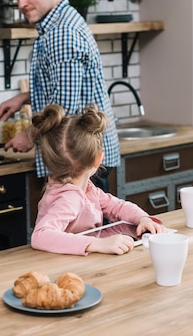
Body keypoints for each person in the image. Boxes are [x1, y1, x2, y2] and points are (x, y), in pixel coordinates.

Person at [0, 0, 120, 187]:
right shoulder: (61, 22)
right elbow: (66, 86)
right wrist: (23, 97)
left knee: (86, 224)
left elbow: (64, 106)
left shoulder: (61, 33)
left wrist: (29, 135)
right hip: (84, 156)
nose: (21, 3)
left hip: (78, 160)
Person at [29, 104, 166, 256]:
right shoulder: (69, 198)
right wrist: (97, 244)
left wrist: (142, 218)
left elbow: (117, 207)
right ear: (98, 159)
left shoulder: (87, 189)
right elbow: (40, 236)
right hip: (65, 267)